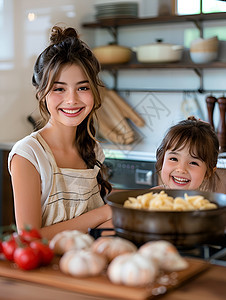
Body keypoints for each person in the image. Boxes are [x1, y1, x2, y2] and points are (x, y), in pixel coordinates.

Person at [8, 25, 113, 240]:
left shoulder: (93, 149)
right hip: (49, 272)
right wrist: (103, 213)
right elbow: (30, 238)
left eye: (82, 88)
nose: (72, 99)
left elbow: (97, 213)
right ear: (41, 93)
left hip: (91, 262)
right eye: (59, 89)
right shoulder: (29, 155)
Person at [155, 116, 220, 192]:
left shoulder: (206, 203)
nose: (181, 169)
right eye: (174, 159)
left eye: (193, 163)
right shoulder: (149, 198)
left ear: (208, 173)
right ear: (162, 160)